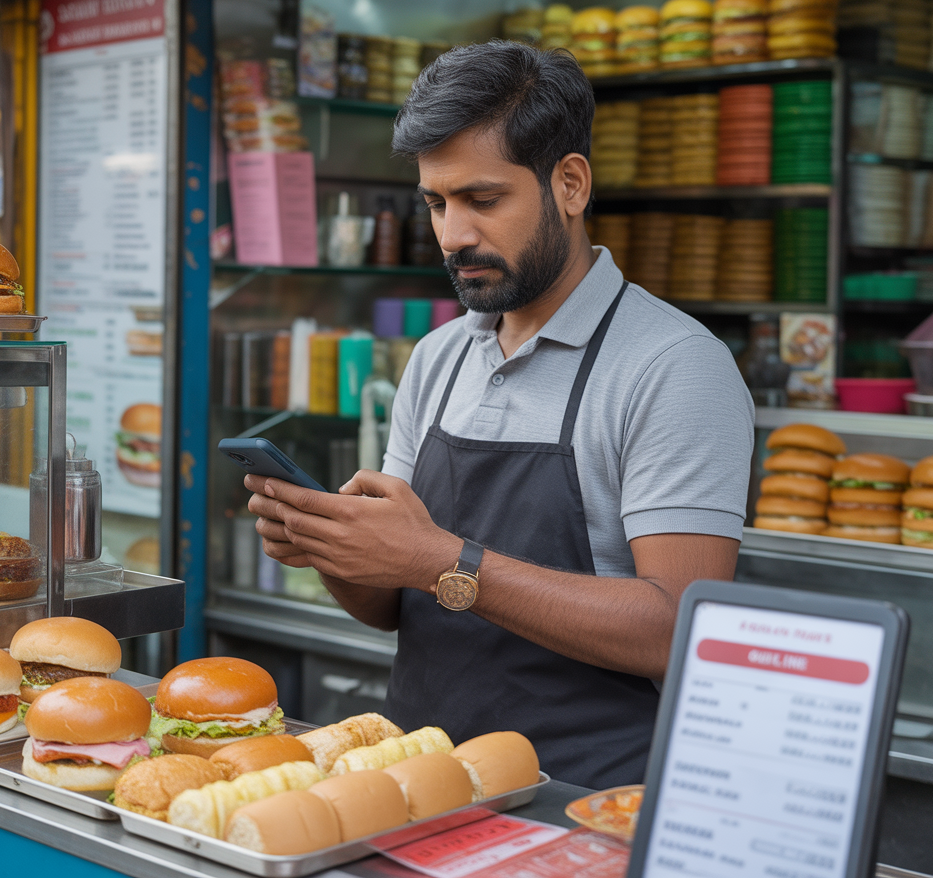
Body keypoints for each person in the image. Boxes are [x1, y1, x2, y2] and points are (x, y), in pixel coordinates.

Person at [246, 41, 754, 788]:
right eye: (436, 203)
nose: (452, 235)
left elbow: (681, 628)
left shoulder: (674, 366)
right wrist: (332, 547)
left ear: (570, 184)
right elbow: (395, 604)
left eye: (483, 200)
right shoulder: (439, 356)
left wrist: (443, 560)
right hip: (423, 781)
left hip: (590, 799)